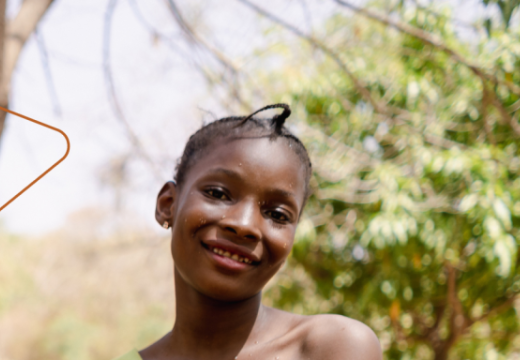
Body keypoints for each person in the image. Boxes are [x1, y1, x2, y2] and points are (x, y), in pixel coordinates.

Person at [114, 104, 381, 360]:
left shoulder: (331, 348)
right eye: (217, 194)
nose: (243, 225)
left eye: (277, 215)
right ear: (168, 205)